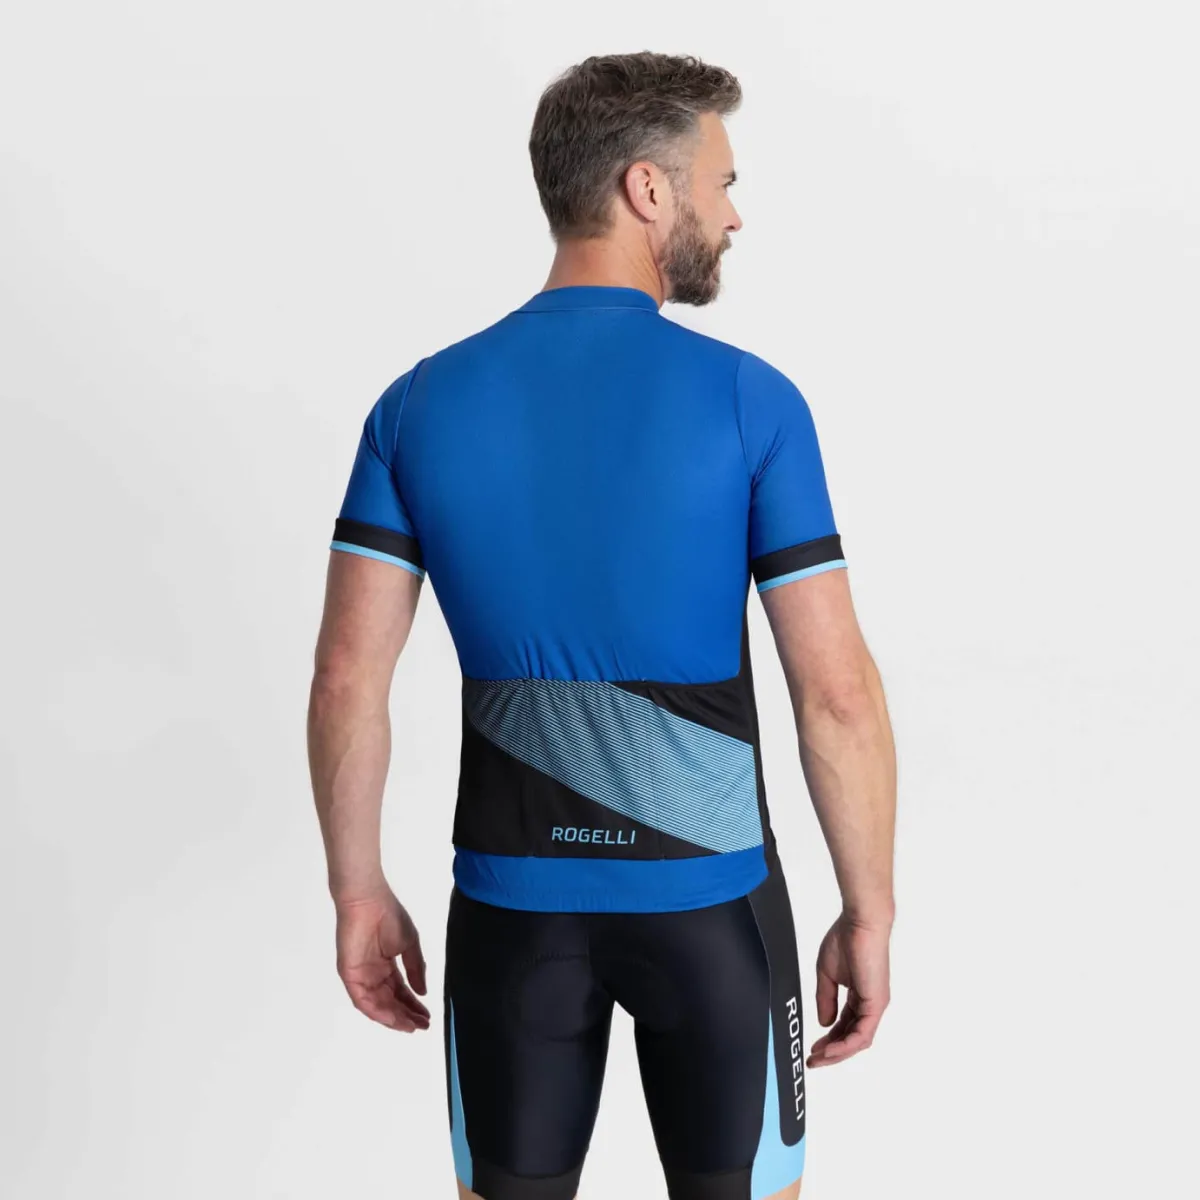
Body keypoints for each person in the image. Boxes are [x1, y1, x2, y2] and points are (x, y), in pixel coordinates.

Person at [308, 51, 897, 1200]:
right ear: (647, 188)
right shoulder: (752, 403)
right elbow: (837, 696)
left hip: (510, 915)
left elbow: (346, 681)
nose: (735, 215)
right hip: (714, 913)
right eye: (723, 183)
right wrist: (868, 911)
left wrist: (357, 891)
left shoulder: (417, 405)